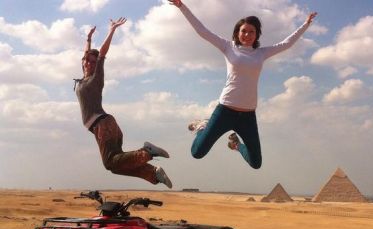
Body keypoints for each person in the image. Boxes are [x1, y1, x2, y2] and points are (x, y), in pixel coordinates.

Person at [169, 0, 317, 169]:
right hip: (225, 111)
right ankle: (202, 127)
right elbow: (202, 31)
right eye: (243, 31)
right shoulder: (228, 46)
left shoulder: (261, 53)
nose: (247, 35)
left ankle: (236, 145)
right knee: (197, 153)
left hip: (247, 116)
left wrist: (305, 24)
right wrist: (182, 6)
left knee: (256, 163)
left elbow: (287, 44)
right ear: (237, 33)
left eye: (251, 32)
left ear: (257, 34)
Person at [74, 18, 173, 188]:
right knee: (115, 165)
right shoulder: (82, 80)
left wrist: (111, 30)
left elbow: (103, 53)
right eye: (85, 60)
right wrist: (88, 39)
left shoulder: (95, 78)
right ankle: (153, 173)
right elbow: (86, 54)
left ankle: (146, 152)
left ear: (96, 64)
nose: (87, 63)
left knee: (109, 163)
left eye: (92, 61)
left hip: (103, 126)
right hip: (106, 125)